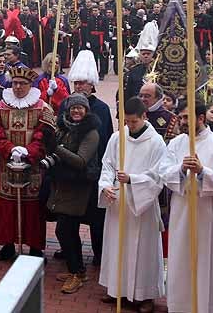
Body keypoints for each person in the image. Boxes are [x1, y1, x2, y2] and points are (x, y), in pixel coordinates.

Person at [162, 97, 213, 313]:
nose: (182, 121)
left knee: (207, 263)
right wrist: (180, 169)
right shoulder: (176, 143)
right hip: (182, 210)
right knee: (181, 262)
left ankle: (207, 307)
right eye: (181, 117)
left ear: (201, 118)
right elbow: (163, 173)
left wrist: (203, 171)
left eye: (186, 117)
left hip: (209, 212)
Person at [97, 96, 166, 311]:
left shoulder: (156, 143)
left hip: (141, 207)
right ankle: (116, 288)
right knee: (117, 246)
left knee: (143, 250)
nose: (129, 125)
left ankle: (145, 296)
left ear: (144, 116)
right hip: (118, 203)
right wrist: (106, 185)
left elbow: (158, 176)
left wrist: (133, 180)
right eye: (126, 121)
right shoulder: (118, 138)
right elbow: (107, 164)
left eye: (133, 121)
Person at [0, 66, 55, 261]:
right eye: (15, 83)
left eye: (22, 83)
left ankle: (34, 247)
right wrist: (9, 149)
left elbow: (46, 135)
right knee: (6, 207)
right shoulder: (0, 106)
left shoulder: (42, 107)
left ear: (30, 85)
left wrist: (29, 151)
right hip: (6, 165)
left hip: (33, 167)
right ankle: (8, 244)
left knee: (33, 209)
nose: (17, 87)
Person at [45, 92, 100, 295]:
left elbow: (81, 160)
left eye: (80, 108)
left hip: (79, 187)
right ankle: (78, 270)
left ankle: (76, 272)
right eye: (73, 108)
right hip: (62, 184)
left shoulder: (91, 132)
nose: (76, 111)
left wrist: (56, 149)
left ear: (86, 110)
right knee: (67, 229)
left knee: (64, 229)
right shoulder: (64, 127)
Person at [67, 48, 112, 266]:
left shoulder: (101, 108)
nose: (79, 87)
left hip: (94, 170)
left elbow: (106, 139)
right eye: (76, 83)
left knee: (96, 219)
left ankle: (100, 253)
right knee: (70, 217)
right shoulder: (68, 105)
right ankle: (71, 251)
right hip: (72, 171)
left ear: (92, 84)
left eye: (83, 83)